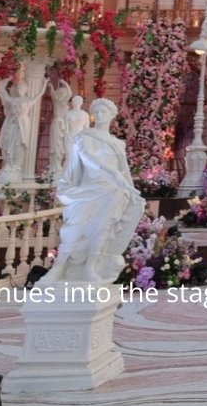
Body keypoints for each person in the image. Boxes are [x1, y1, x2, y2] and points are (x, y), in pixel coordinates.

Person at [47, 98, 145, 285]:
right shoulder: (85, 137)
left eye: (104, 112)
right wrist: (112, 173)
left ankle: (91, 267)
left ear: (112, 115)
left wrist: (132, 190)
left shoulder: (118, 144)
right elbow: (88, 157)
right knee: (75, 229)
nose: (100, 115)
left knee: (104, 229)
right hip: (88, 189)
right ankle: (59, 267)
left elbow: (124, 170)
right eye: (97, 112)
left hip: (112, 191)